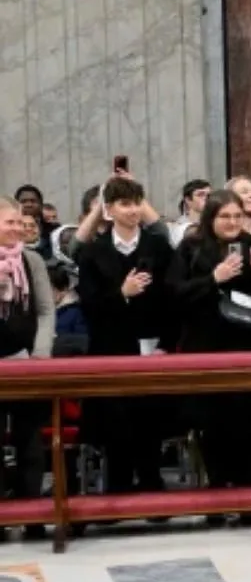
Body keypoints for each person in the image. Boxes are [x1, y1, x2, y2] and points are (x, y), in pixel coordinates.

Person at [167, 191, 251, 488]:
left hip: (250, 343)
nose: (232, 222)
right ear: (210, 218)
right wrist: (213, 279)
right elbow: (173, 294)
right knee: (213, 422)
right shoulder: (191, 247)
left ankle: (248, 486)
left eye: (237, 216)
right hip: (207, 345)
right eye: (225, 216)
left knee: (250, 420)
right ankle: (219, 486)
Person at [76, 175, 178, 492]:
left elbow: (172, 298)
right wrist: (121, 293)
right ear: (109, 209)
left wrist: (166, 344)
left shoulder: (158, 247)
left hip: (151, 345)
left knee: (150, 422)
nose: (132, 210)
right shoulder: (94, 252)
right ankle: (117, 490)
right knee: (115, 424)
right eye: (124, 204)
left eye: (136, 203)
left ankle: (152, 485)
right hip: (111, 347)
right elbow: (89, 305)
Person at [0, 198, 55, 508]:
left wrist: (40, 355)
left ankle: (32, 512)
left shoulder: (32, 260)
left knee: (30, 440)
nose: (17, 229)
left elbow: (46, 311)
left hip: (26, 363)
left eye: (20, 223)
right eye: (10, 223)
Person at [167, 179, 212, 247]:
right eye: (200, 195)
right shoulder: (179, 227)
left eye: (209, 195)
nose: (206, 198)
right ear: (188, 200)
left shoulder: (214, 223)